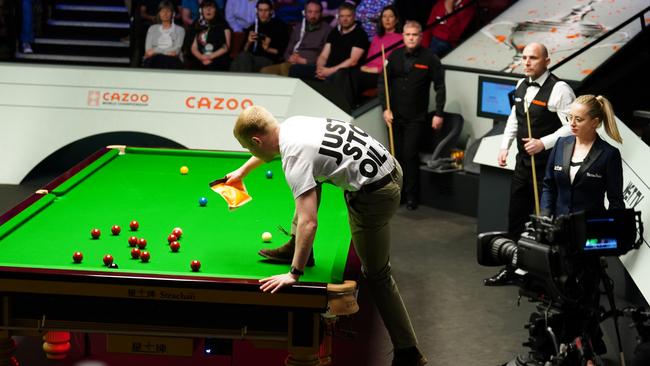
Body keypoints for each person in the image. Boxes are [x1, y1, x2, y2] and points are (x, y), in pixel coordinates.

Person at [225, 105, 427, 366]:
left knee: (377, 274)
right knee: (315, 178)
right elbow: (275, 150)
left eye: (250, 149)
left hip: (376, 195)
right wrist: (243, 171)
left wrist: (293, 274)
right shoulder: (294, 125)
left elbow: (310, 222)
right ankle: (296, 248)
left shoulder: (294, 157)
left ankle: (408, 352)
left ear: (256, 140)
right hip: (391, 169)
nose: (251, 153)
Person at [483, 42, 575, 286]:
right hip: (523, 163)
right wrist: (504, 146)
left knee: (546, 221)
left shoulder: (560, 89)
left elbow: (572, 126)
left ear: (547, 60)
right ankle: (512, 268)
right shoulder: (521, 84)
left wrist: (543, 143)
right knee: (516, 216)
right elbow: (515, 117)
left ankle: (547, 276)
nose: (526, 62)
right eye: (524, 58)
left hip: (550, 166)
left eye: (532, 58)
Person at [378, 20, 445, 211]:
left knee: (409, 155)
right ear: (403, 36)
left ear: (421, 36)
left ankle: (411, 197)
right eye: (408, 34)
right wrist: (385, 108)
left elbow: (440, 87)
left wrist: (439, 113)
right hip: (394, 116)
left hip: (416, 117)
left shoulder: (430, 58)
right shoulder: (394, 56)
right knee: (395, 156)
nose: (411, 38)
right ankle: (396, 195)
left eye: (414, 35)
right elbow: (383, 83)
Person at [540, 94, 624, 217]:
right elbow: (548, 186)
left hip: (591, 229)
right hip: (559, 227)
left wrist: (613, 230)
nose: (572, 124)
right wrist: (545, 216)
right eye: (570, 117)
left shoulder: (609, 154)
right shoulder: (560, 144)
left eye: (578, 119)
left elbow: (615, 200)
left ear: (594, 122)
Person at [340, 4, 402, 109]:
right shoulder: (377, 38)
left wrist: (376, 69)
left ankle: (347, 109)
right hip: (368, 70)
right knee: (342, 73)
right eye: (384, 16)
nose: (387, 19)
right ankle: (339, 106)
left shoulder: (401, 38)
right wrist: (365, 68)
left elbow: (395, 64)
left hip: (382, 74)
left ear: (396, 20)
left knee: (354, 77)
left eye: (390, 16)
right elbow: (369, 59)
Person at [288, 2, 368, 81]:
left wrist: (330, 71)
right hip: (328, 68)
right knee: (295, 69)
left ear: (354, 17)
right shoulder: (335, 32)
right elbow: (324, 56)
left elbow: (353, 61)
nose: (345, 19)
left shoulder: (360, 34)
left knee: (333, 78)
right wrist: (319, 70)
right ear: (338, 17)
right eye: (342, 16)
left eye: (348, 16)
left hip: (344, 71)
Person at [260, 0, 331, 76]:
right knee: (265, 71)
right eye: (310, 12)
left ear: (321, 13)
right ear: (305, 13)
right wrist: (290, 58)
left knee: (286, 68)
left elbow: (325, 56)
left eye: (316, 12)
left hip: (309, 65)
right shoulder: (299, 27)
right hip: (291, 62)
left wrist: (303, 61)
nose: (313, 16)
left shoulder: (327, 30)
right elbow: (287, 51)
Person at [230, 0, 289, 73]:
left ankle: (244, 82)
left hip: (269, 59)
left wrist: (268, 48)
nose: (263, 13)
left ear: (271, 11)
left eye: (266, 10)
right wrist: (248, 42)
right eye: (260, 10)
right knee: (238, 60)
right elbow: (243, 51)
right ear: (257, 11)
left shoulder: (280, 27)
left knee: (239, 61)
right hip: (250, 59)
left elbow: (282, 52)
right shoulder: (252, 27)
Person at [189, 0, 232, 70]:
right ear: (201, 10)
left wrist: (210, 57)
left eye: (211, 7)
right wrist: (201, 57)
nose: (208, 10)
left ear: (216, 10)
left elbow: (226, 47)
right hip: (200, 58)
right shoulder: (196, 24)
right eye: (205, 7)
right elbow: (193, 47)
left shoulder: (223, 25)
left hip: (218, 58)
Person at [143, 0, 186, 69]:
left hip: (172, 60)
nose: (165, 14)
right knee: (154, 61)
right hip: (154, 59)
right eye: (162, 11)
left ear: (172, 13)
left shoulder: (180, 30)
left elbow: (176, 51)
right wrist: (166, 52)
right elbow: (148, 50)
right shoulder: (152, 28)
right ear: (159, 13)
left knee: (166, 61)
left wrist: (155, 51)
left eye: (168, 11)